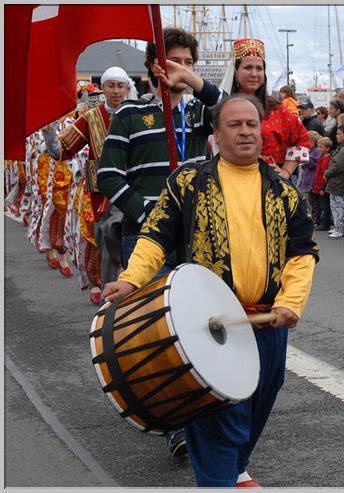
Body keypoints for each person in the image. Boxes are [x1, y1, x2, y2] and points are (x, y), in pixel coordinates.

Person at [101, 94, 319, 487]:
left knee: (257, 407)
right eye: (234, 125)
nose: (245, 131)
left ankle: (236, 468)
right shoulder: (188, 182)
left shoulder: (285, 192)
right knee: (217, 422)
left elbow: (303, 254)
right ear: (216, 134)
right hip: (210, 323)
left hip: (268, 324)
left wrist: (290, 302)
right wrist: (132, 278)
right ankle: (221, 478)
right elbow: (155, 236)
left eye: (252, 124)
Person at [97, 26, 222, 460]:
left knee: (201, 325)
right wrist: (149, 212)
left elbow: (235, 110)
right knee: (162, 329)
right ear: (155, 66)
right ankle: (174, 422)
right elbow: (108, 175)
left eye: (189, 62)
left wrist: (196, 87)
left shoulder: (201, 113)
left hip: (198, 238)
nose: (182, 70)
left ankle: (204, 410)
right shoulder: (129, 114)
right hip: (148, 238)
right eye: (175, 62)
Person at [43, 66, 137, 304]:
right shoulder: (91, 118)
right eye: (111, 86)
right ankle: (109, 303)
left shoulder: (138, 114)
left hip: (135, 191)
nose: (116, 91)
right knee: (106, 249)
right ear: (103, 88)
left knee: (138, 247)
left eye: (120, 86)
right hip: (102, 195)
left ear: (128, 88)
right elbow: (62, 150)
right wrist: (49, 135)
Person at [220, 38, 310, 180]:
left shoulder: (276, 109)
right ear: (235, 72)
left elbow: (302, 138)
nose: (254, 74)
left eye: (259, 68)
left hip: (267, 183)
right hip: (227, 179)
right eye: (248, 68)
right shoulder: (221, 107)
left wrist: (286, 172)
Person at [324, 125, 344, 239]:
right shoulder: (343, 149)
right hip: (340, 182)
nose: (337, 136)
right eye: (337, 134)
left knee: (338, 206)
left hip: (339, 182)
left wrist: (327, 173)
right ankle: (341, 228)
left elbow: (338, 166)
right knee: (340, 205)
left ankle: (340, 229)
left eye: (339, 134)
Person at [313, 136, 334, 231]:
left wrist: (322, 188)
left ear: (327, 148)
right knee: (320, 205)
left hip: (322, 186)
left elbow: (325, 175)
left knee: (324, 206)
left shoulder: (326, 160)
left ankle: (325, 224)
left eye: (321, 147)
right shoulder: (321, 158)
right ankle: (322, 222)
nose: (318, 149)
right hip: (317, 185)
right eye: (318, 147)